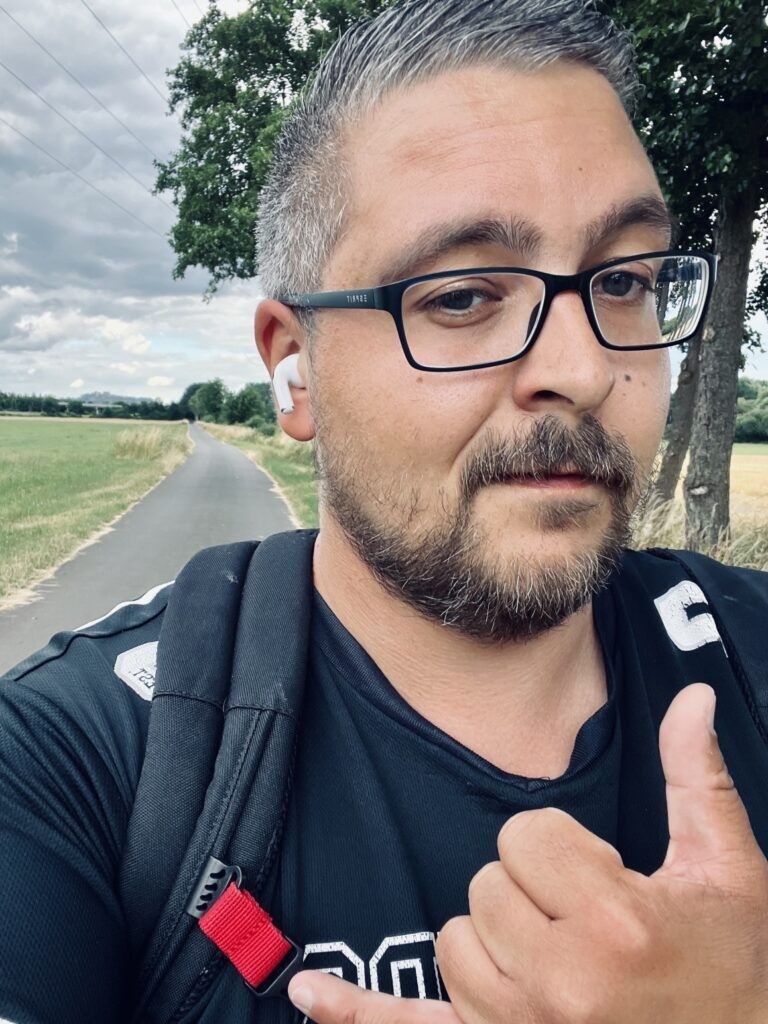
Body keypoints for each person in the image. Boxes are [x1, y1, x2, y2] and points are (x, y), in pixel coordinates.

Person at [2, 1, 768, 1022]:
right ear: (296, 371)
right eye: (460, 296)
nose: (585, 370)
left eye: (624, 280)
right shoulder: (66, 759)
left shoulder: (755, 653)